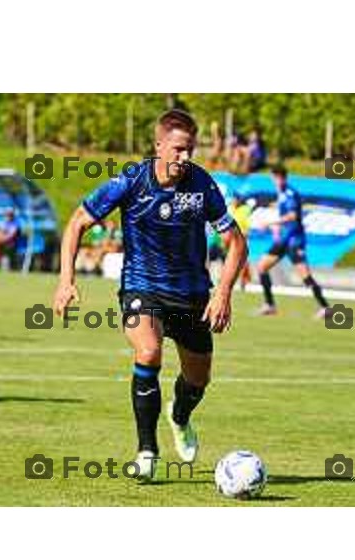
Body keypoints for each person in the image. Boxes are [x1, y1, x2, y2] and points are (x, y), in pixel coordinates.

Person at [53, 109, 248, 483]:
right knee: (149, 352)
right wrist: (66, 280)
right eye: (178, 149)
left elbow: (236, 241)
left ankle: (180, 416)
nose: (185, 157)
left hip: (192, 295)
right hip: (142, 288)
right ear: (159, 146)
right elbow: (78, 221)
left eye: (190, 149)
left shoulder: (202, 184)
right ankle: (147, 451)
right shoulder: (129, 180)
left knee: (198, 380)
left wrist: (222, 292)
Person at [256, 165, 329, 318]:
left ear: (283, 178)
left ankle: (325, 307)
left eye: (277, 178)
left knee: (305, 276)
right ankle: (270, 305)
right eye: (274, 178)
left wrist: (271, 223)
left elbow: (293, 216)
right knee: (261, 267)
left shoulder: (290, 193)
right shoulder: (281, 193)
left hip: (294, 241)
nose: (276, 181)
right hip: (284, 240)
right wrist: (277, 230)